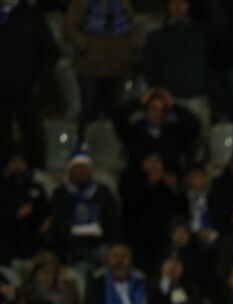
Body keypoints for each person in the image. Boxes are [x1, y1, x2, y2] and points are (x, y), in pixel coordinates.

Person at [64, 0, 139, 140]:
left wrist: (129, 49)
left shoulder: (123, 2)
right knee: (89, 108)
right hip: (90, 65)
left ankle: (111, 147)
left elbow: (132, 26)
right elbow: (69, 26)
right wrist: (84, 45)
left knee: (115, 111)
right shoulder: (81, 2)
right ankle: (84, 146)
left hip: (118, 65)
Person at [0, 0, 57, 169]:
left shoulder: (31, 14)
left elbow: (50, 52)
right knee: (2, 136)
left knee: (32, 133)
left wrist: (36, 80)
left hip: (25, 87)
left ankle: (37, 174)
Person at [50, 149, 120, 267]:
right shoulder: (60, 194)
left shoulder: (103, 192)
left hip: (99, 245)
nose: (81, 171)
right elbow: (59, 223)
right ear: (70, 169)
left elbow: (113, 220)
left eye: (85, 167)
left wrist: (111, 244)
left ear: (91, 169)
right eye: (77, 167)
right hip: (71, 247)